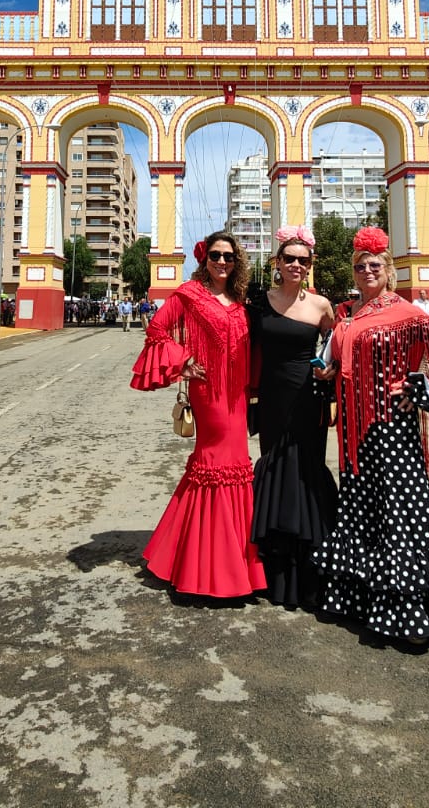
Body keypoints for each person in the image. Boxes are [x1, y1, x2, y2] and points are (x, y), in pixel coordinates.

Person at [313, 226, 429, 645]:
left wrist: (418, 388)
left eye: (374, 266)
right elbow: (341, 363)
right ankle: (364, 601)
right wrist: (328, 375)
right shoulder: (348, 314)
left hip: (391, 430)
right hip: (352, 432)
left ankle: (417, 613)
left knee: (402, 511)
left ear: (388, 271)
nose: (367, 271)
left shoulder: (407, 312)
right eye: (360, 266)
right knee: (362, 508)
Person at [130, 229, 265, 600]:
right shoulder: (189, 295)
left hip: (237, 394)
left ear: (237, 262)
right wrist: (184, 362)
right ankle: (209, 564)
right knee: (213, 462)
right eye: (216, 256)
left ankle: (211, 556)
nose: (222, 262)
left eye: (229, 257)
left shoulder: (241, 299)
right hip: (209, 393)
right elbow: (157, 328)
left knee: (234, 463)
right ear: (204, 259)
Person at [247, 225, 338, 610]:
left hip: (308, 398)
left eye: (304, 260)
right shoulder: (257, 301)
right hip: (271, 399)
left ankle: (310, 567)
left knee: (306, 469)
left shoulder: (321, 306)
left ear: (310, 265)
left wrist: (330, 372)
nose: (297, 265)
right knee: (274, 466)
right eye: (290, 259)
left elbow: (338, 349)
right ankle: (273, 567)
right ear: (277, 264)